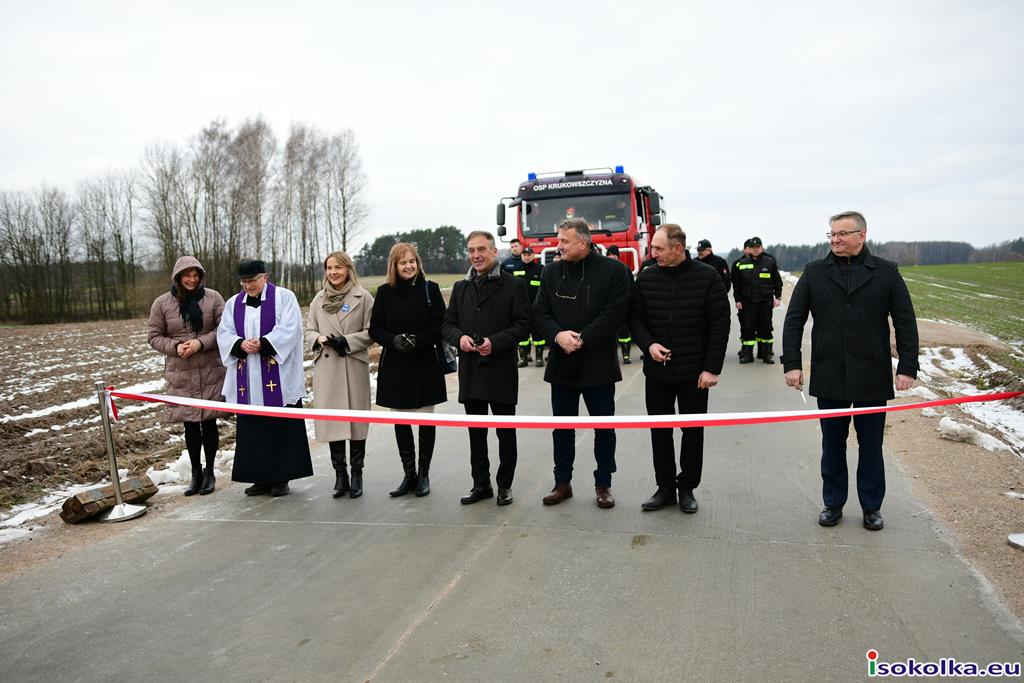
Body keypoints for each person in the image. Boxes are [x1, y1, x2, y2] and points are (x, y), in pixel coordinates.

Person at [782, 211, 919, 531]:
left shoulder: (886, 273)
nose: (836, 240)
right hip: (830, 374)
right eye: (831, 234)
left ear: (862, 235)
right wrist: (792, 364)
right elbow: (794, 320)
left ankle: (872, 507)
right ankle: (833, 503)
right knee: (832, 444)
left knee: (871, 446)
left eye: (842, 234)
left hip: (872, 374)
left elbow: (905, 321)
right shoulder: (815, 272)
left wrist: (908, 367)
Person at [629, 225, 731, 513]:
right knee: (659, 431)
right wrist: (648, 345)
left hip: (694, 373)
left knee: (692, 430)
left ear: (677, 248)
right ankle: (664, 488)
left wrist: (711, 369)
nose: (653, 253)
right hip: (658, 372)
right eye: (653, 248)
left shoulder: (707, 277)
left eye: (659, 248)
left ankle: (686, 488)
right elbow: (635, 319)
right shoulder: (647, 277)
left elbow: (720, 325)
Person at [532, 218, 631, 508]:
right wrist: (558, 335)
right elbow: (539, 312)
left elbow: (615, 312)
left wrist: (584, 338)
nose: (557, 246)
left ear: (584, 243)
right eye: (558, 240)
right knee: (562, 428)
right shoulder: (550, 272)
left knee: (604, 428)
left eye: (564, 241)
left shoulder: (614, 271)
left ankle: (604, 484)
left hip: (598, 364)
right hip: (562, 364)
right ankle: (562, 482)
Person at [442, 231, 531, 506]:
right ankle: (481, 484)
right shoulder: (461, 288)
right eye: (471, 250)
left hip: (501, 369)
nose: (476, 255)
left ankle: (505, 485)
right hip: (472, 371)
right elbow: (447, 325)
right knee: (476, 433)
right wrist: (460, 339)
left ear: (494, 252)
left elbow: (523, 325)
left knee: (505, 431)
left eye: (481, 249)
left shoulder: (512, 285)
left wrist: (495, 342)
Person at [217, 260, 312, 497]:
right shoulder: (233, 304)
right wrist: (239, 344)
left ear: (265, 277)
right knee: (253, 429)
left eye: (252, 281)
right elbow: (224, 333)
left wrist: (265, 342)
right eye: (244, 281)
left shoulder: (284, 298)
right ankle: (259, 477)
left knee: (280, 427)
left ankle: (281, 477)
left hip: (278, 376)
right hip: (247, 377)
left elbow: (291, 329)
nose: (248, 286)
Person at [370, 242, 447, 497]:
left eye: (412, 261)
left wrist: (419, 339)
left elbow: (441, 325)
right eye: (403, 262)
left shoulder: (430, 289)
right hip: (396, 364)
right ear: (394, 266)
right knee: (401, 421)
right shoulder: (384, 292)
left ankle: (424, 474)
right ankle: (409, 474)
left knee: (426, 421)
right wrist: (393, 340)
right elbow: (375, 329)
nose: (409, 266)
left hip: (425, 362)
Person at [147, 256, 226, 496]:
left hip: (209, 369)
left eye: (195, 275)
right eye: (186, 275)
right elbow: (154, 336)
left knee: (209, 423)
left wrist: (200, 343)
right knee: (190, 426)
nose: (191, 279)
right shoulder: (162, 303)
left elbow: (224, 330)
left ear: (201, 276)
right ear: (178, 277)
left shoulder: (213, 298)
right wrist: (176, 347)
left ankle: (210, 471)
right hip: (180, 372)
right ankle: (196, 473)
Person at [305, 250, 375, 499]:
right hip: (327, 367)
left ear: (348, 270)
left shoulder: (363, 297)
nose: (333, 272)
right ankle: (340, 475)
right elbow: (309, 329)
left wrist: (347, 341)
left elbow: (371, 331)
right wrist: (319, 338)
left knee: (355, 423)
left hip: (352, 363)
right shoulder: (318, 299)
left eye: (338, 268)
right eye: (329, 268)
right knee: (334, 421)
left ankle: (357, 474)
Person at [731, 236, 783, 364]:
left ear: (761, 247)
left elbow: (777, 281)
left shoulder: (769, 262)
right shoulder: (741, 264)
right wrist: (737, 300)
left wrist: (778, 296)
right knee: (748, 328)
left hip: (765, 302)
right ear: (749, 249)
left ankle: (766, 355)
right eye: (752, 247)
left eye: (757, 247)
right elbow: (737, 284)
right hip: (748, 302)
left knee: (765, 328)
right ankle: (748, 355)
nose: (755, 250)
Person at [513, 247, 546, 367]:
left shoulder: (541, 269)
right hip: (521, 309)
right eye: (524, 254)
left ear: (533, 256)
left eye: (529, 254)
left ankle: (539, 358)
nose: (526, 257)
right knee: (522, 335)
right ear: (521, 256)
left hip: (536, 308)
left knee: (538, 336)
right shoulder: (516, 270)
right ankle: (523, 358)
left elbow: (544, 290)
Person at [605, 245, 635, 365]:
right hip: (608, 307)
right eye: (609, 254)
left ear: (618, 256)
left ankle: (626, 355)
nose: (611, 256)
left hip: (622, 306)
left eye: (614, 254)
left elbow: (631, 287)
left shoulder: (625, 269)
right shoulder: (604, 270)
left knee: (624, 333)